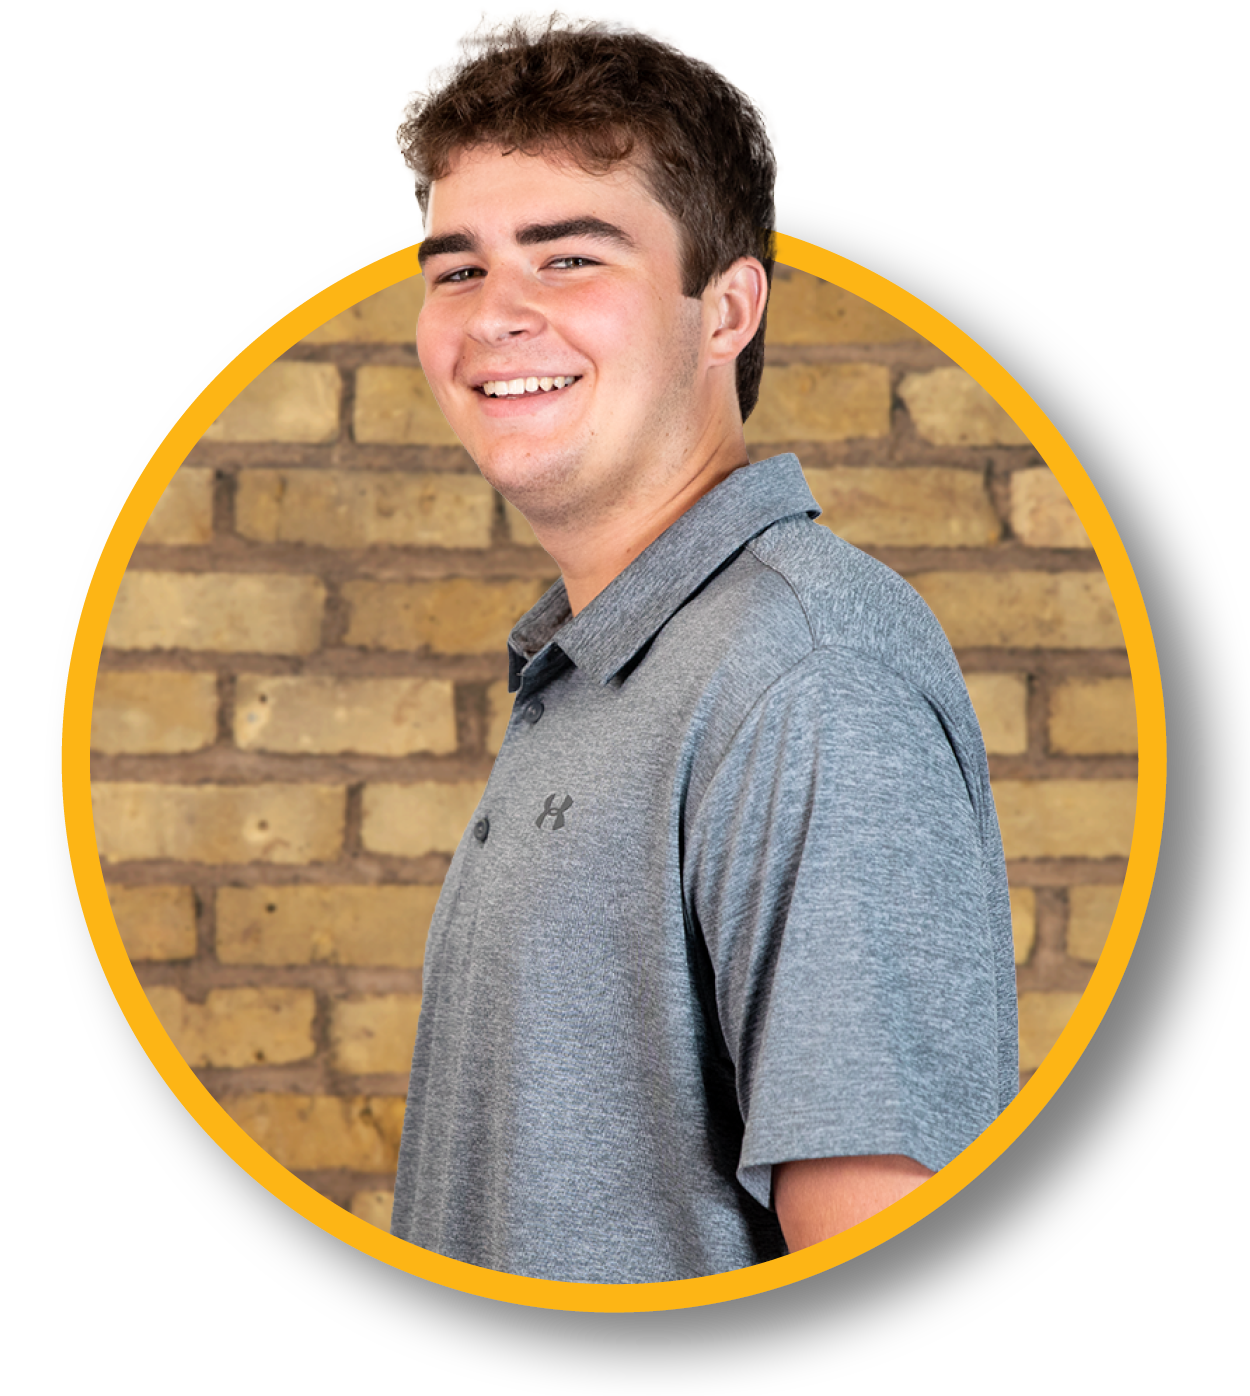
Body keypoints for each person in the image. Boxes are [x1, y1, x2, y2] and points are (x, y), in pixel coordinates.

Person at [388, 5, 1018, 1284]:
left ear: (726, 307)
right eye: (455, 266)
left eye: (568, 259)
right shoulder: (610, 661)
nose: (495, 313)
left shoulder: (802, 675)